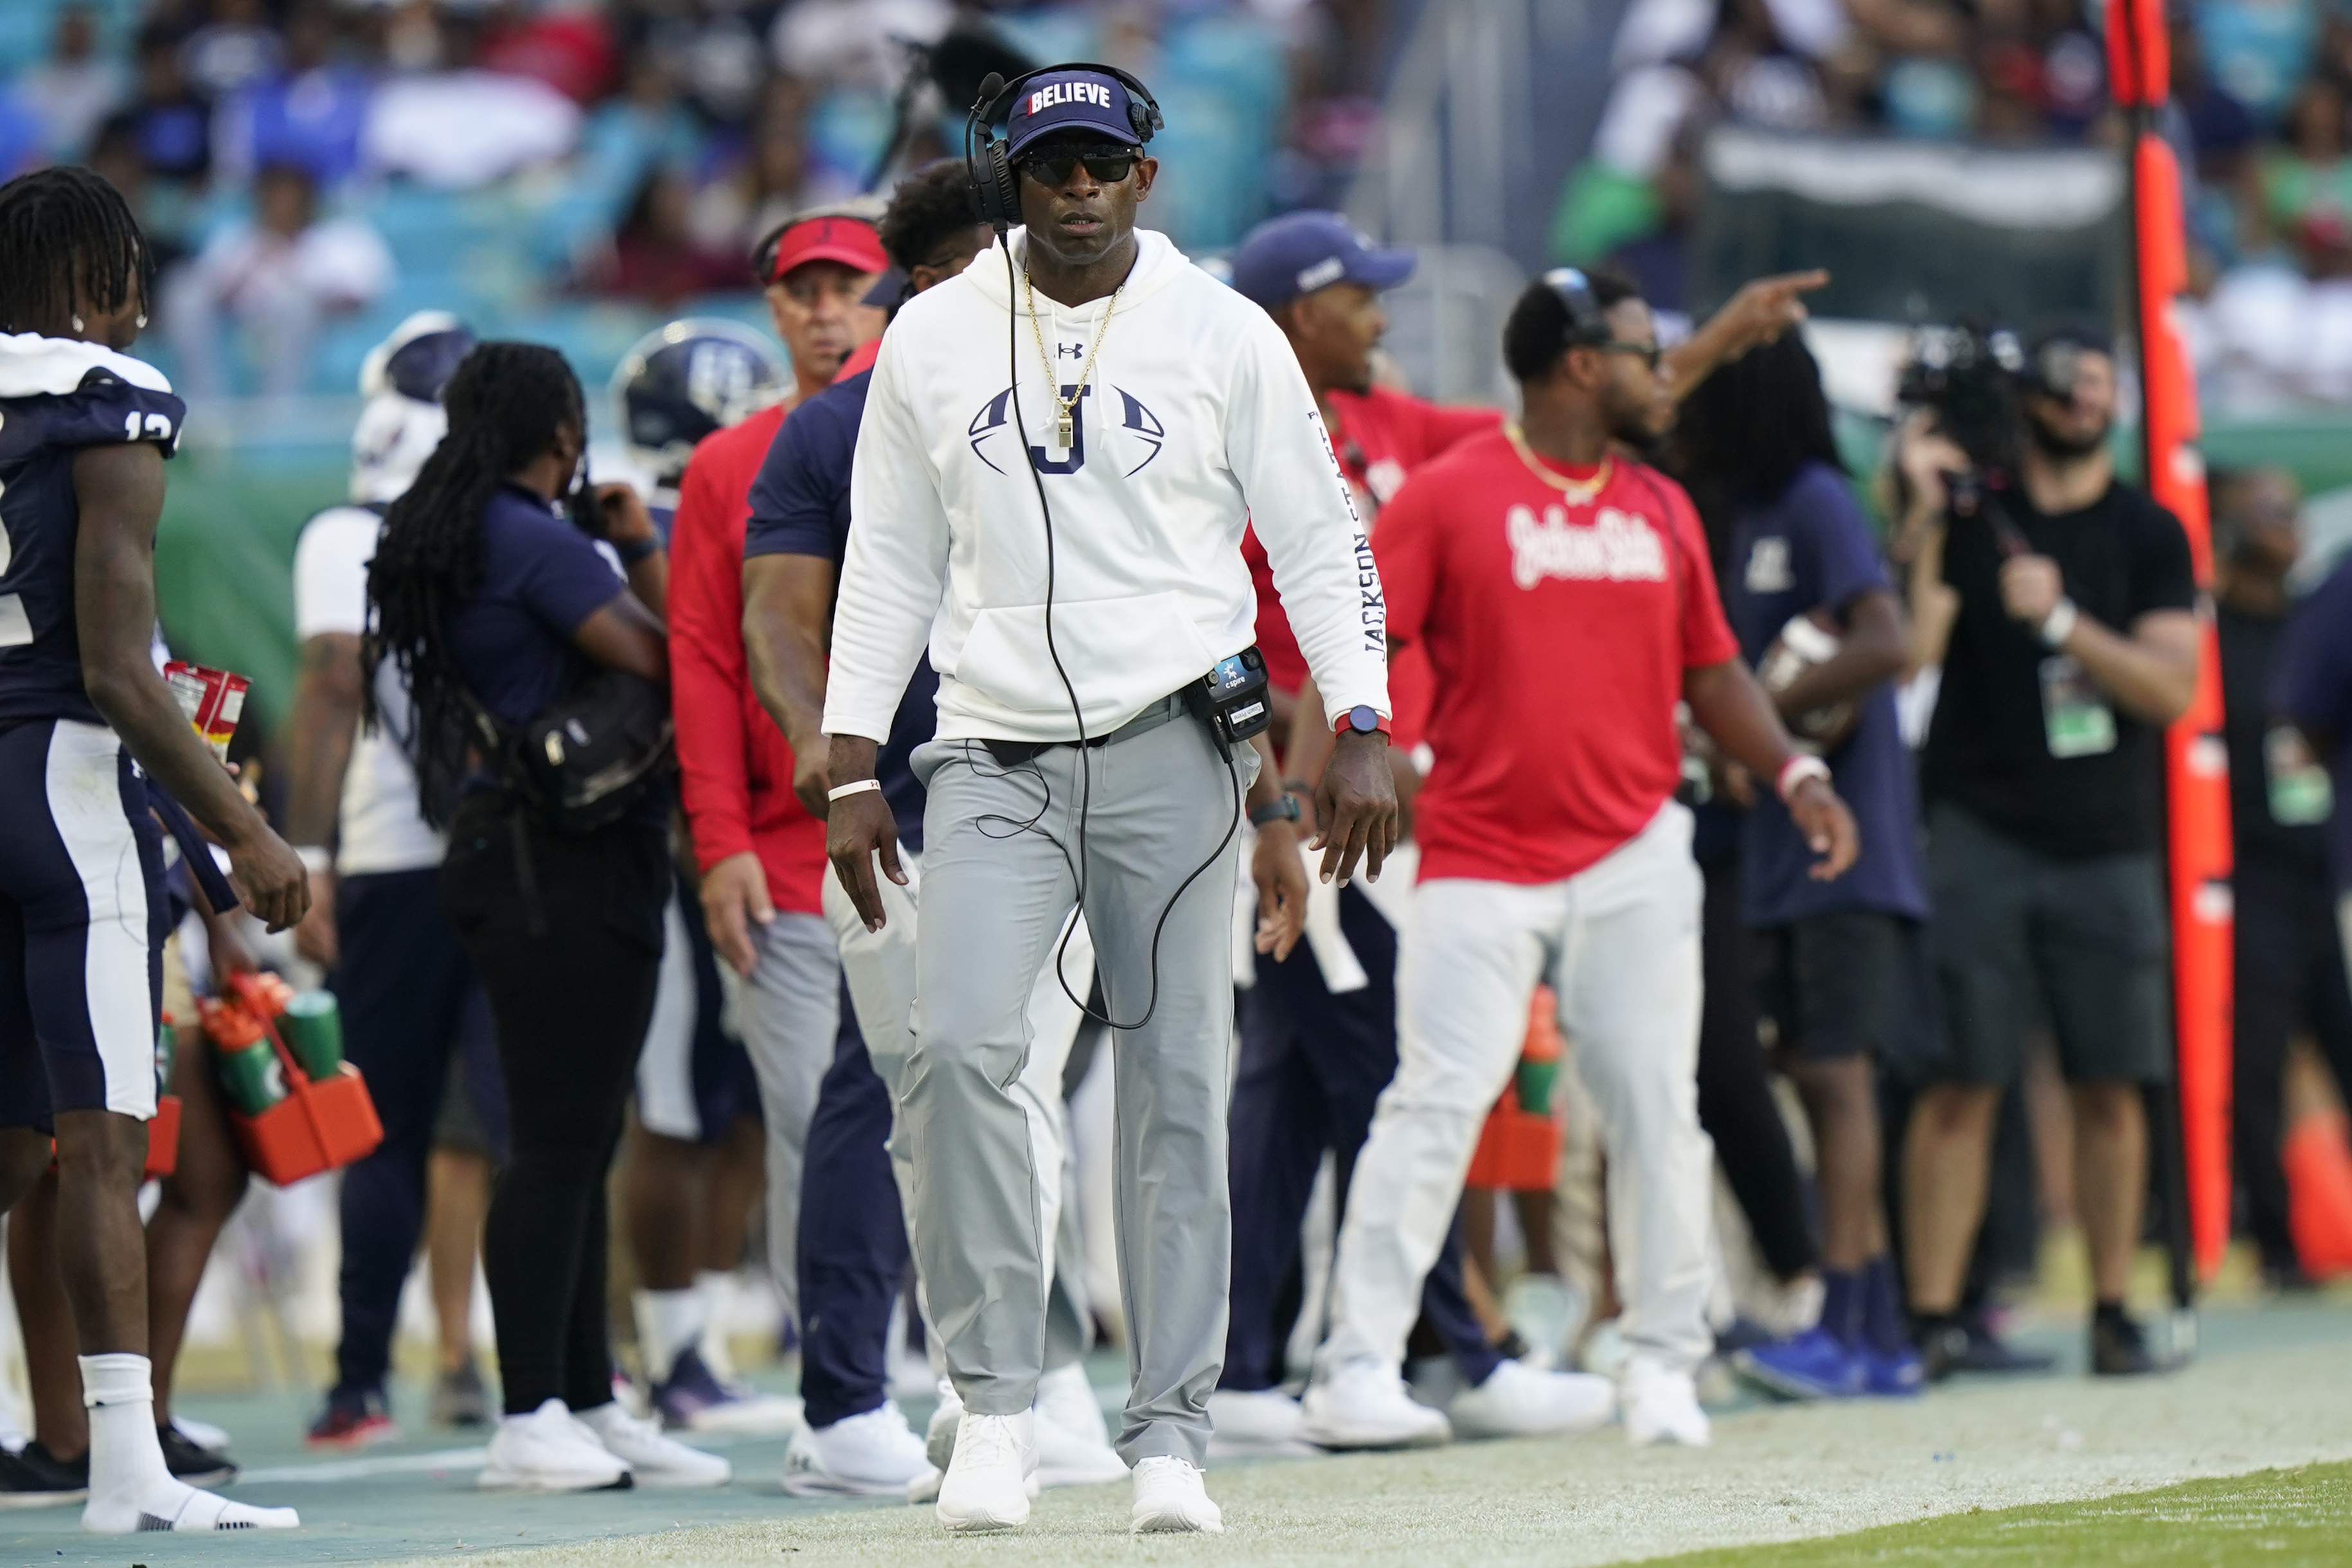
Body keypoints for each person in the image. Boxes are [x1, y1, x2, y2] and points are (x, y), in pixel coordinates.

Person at [821, 67, 1394, 1533]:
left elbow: (1315, 541)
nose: (1074, 189)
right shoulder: (931, 337)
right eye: (1048, 165)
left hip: (1174, 752)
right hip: (990, 752)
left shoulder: (1224, 331)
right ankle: (998, 1403)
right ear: (1009, 176)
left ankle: (1169, 1436)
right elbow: (885, 555)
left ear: (1144, 175)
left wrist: (1364, 722)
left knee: (1175, 1089)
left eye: (1099, 165)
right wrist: (843, 757)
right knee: (952, 1052)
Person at [1299, 266, 1860, 1453]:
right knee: (1431, 1106)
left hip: (1636, 855)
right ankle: (1356, 1369)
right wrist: (1349, 761)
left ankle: (1664, 1362)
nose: (1669, 377)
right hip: (1481, 854)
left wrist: (1799, 773)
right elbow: (1359, 635)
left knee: (1659, 1105)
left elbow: (1712, 670)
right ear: (1582, 364)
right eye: (1649, 354)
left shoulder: (1661, 507)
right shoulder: (1452, 496)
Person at [741, 158, 1136, 1499]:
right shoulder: (827, 435)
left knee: (1005, 1088)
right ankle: (912, 1387)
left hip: (1049, 790)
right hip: (892, 815)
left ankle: (1016, 1381)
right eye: (996, 262)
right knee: (915, 1106)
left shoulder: (1074, 403)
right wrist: (827, 752)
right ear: (930, 280)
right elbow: (777, 621)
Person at [1213, 209, 1607, 1448]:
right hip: (1287, 803)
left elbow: (1544, 438)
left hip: (1341, 795)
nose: (1385, 317)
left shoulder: (1379, 423)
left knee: (1297, 1086)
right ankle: (1448, 1349)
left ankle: (1242, 1367)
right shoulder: (1227, 436)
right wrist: (1299, 752)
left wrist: (1674, 369)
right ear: (1293, 314)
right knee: (1391, 1071)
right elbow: (1210, 623)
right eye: (1359, 297)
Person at [0, 164, 308, 1532]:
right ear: (90, 277)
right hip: (65, 790)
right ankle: (126, 1468)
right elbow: (123, 673)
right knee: (103, 1140)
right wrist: (246, 830)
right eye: (123, 274)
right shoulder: (104, 398)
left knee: (11, 1152)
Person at [364, 341, 727, 1492]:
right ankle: (532, 1416)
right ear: (561, 430)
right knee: (561, 1142)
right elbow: (673, 665)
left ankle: (582, 1396)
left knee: (578, 1133)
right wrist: (635, 546)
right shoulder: (530, 538)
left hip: (513, 846)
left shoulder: (466, 530)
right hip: (553, 860)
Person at [1895, 324, 2198, 1379]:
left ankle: (2114, 1309)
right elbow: (1910, 656)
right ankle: (1933, 1316)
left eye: (2102, 384)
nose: (2086, 400)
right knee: (1962, 1082)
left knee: (2114, 1082)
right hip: (1978, 829)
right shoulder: (1972, 515)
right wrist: (1923, 516)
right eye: (2068, 383)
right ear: (2028, 399)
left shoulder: (2150, 531)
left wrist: (2065, 621)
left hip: (2106, 841)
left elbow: (2172, 690)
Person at [1674, 331, 1926, 1398]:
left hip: (1845, 840)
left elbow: (1888, 640)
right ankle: (1865, 1322)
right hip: (1781, 843)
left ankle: (1858, 1326)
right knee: (1810, 1074)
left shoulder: (1816, 497)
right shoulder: (1740, 513)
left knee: (1835, 1073)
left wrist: (1755, 723)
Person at [279, 311, 509, 1447]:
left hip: (397, 861)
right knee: (494, 1127)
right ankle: (536, 1379)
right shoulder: (514, 514)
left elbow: (331, 685)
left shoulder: (347, 533)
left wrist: (307, 854)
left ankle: (365, 1377)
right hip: (495, 853)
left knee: (397, 1126)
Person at [666, 215, 886, 1381]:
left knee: (952, 1103)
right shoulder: (724, 465)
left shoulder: (937, 432)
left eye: (845, 284)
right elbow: (701, 657)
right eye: (799, 290)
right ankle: (841, 1382)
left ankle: (964, 1366)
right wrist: (720, 841)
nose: (821, 308)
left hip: (926, 829)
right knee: (814, 1123)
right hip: (786, 850)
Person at [609, 316, 808, 1434]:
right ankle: (676, 1351)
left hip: (748, 841)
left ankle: (706, 1342)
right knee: (679, 1106)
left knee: (736, 1112)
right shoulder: (644, 525)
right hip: (681, 847)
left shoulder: (715, 507)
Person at [2245, 472, 2352, 1283]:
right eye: (2269, 514)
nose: (2288, 530)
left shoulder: (2315, 608)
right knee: (2260, 1062)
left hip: (2325, 868)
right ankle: (2279, 1244)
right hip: (2257, 877)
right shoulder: (2216, 633)